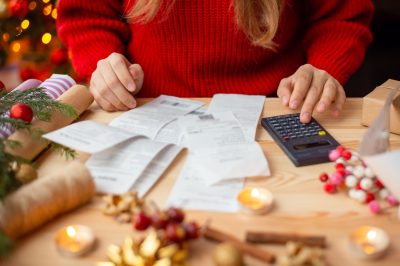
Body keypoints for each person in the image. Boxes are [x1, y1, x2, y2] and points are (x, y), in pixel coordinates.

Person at [56, 0, 374, 123]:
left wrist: (323, 68)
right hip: (146, 113)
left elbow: (342, 17)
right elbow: (87, 15)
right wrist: (103, 61)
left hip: (278, 113)